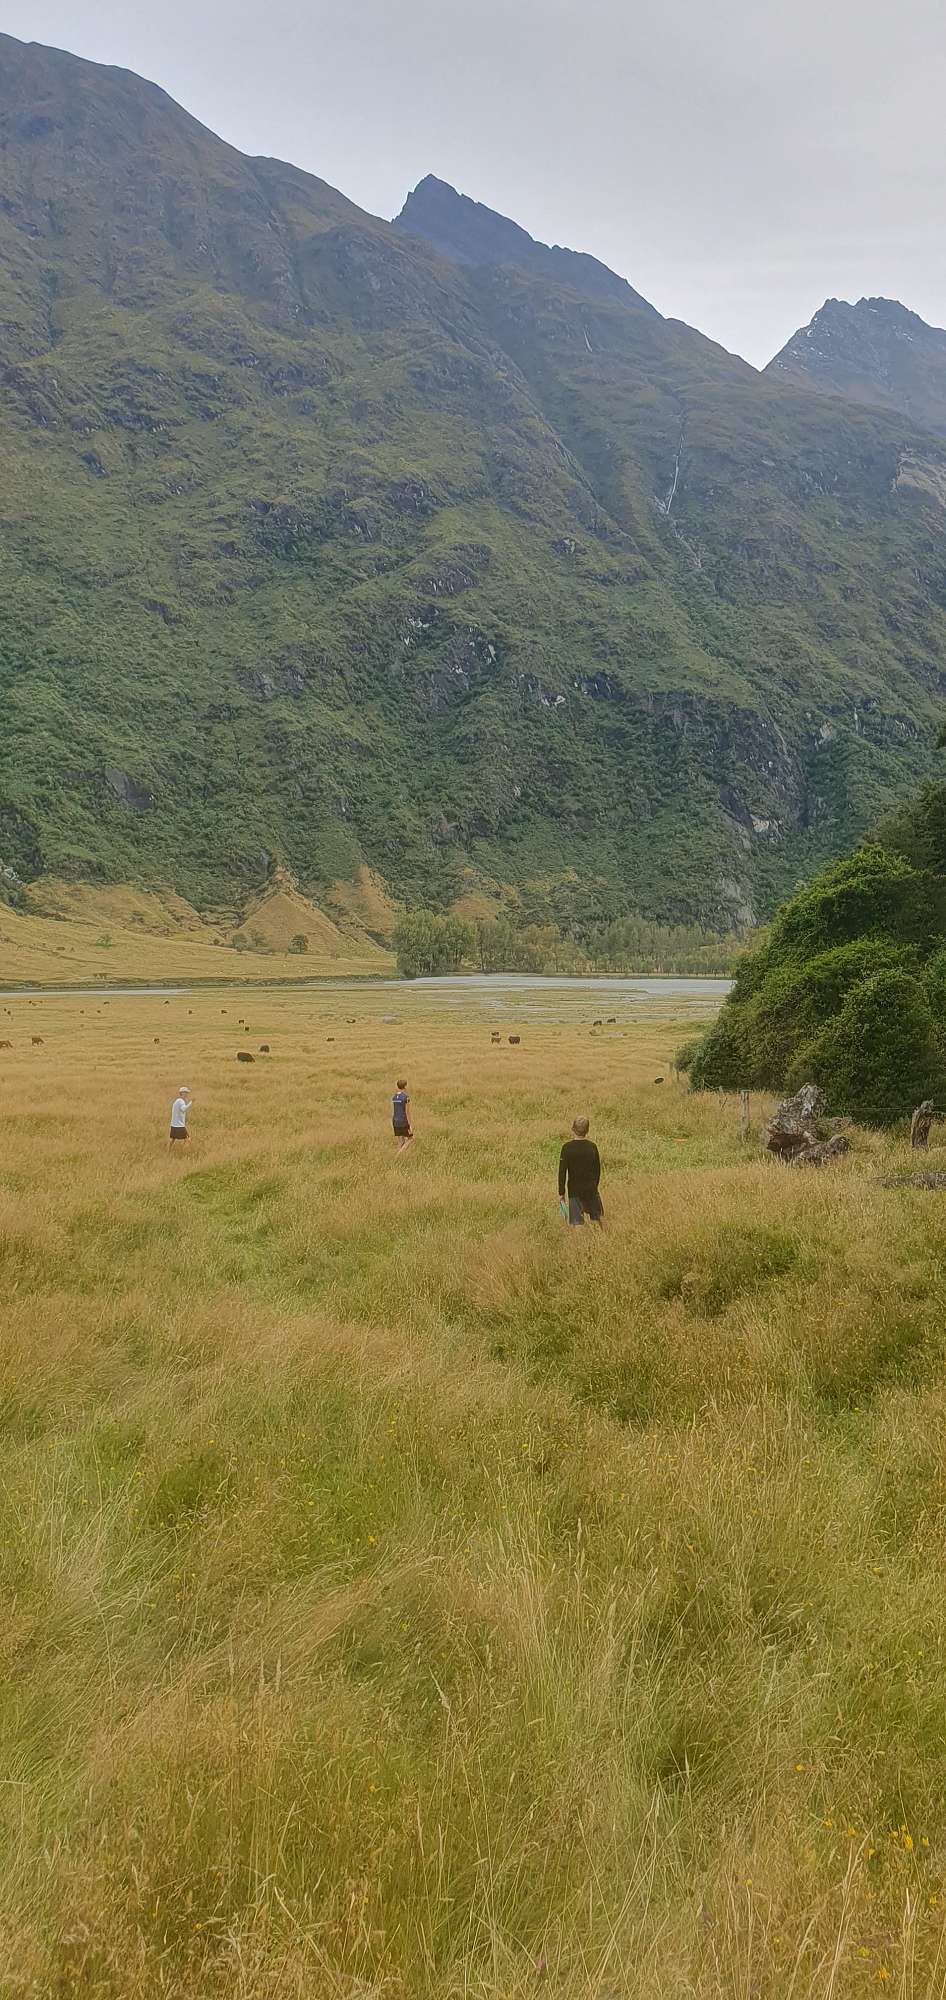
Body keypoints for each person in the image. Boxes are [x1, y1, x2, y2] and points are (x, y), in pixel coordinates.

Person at [558, 1115, 602, 1225]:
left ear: (573, 1128)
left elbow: (562, 1172)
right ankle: (598, 1236)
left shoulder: (567, 1148)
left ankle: (580, 1237)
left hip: (574, 1190)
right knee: (596, 1220)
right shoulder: (592, 1147)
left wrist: (561, 1192)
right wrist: (595, 1185)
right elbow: (597, 1170)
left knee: (577, 1223)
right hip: (591, 1189)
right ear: (587, 1130)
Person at [392, 1077, 413, 1154]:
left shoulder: (394, 1097)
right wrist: (410, 1125)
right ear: (405, 1086)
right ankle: (397, 1156)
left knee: (401, 1142)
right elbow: (407, 1112)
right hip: (403, 1121)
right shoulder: (406, 1098)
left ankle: (400, 1157)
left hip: (395, 1121)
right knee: (410, 1139)